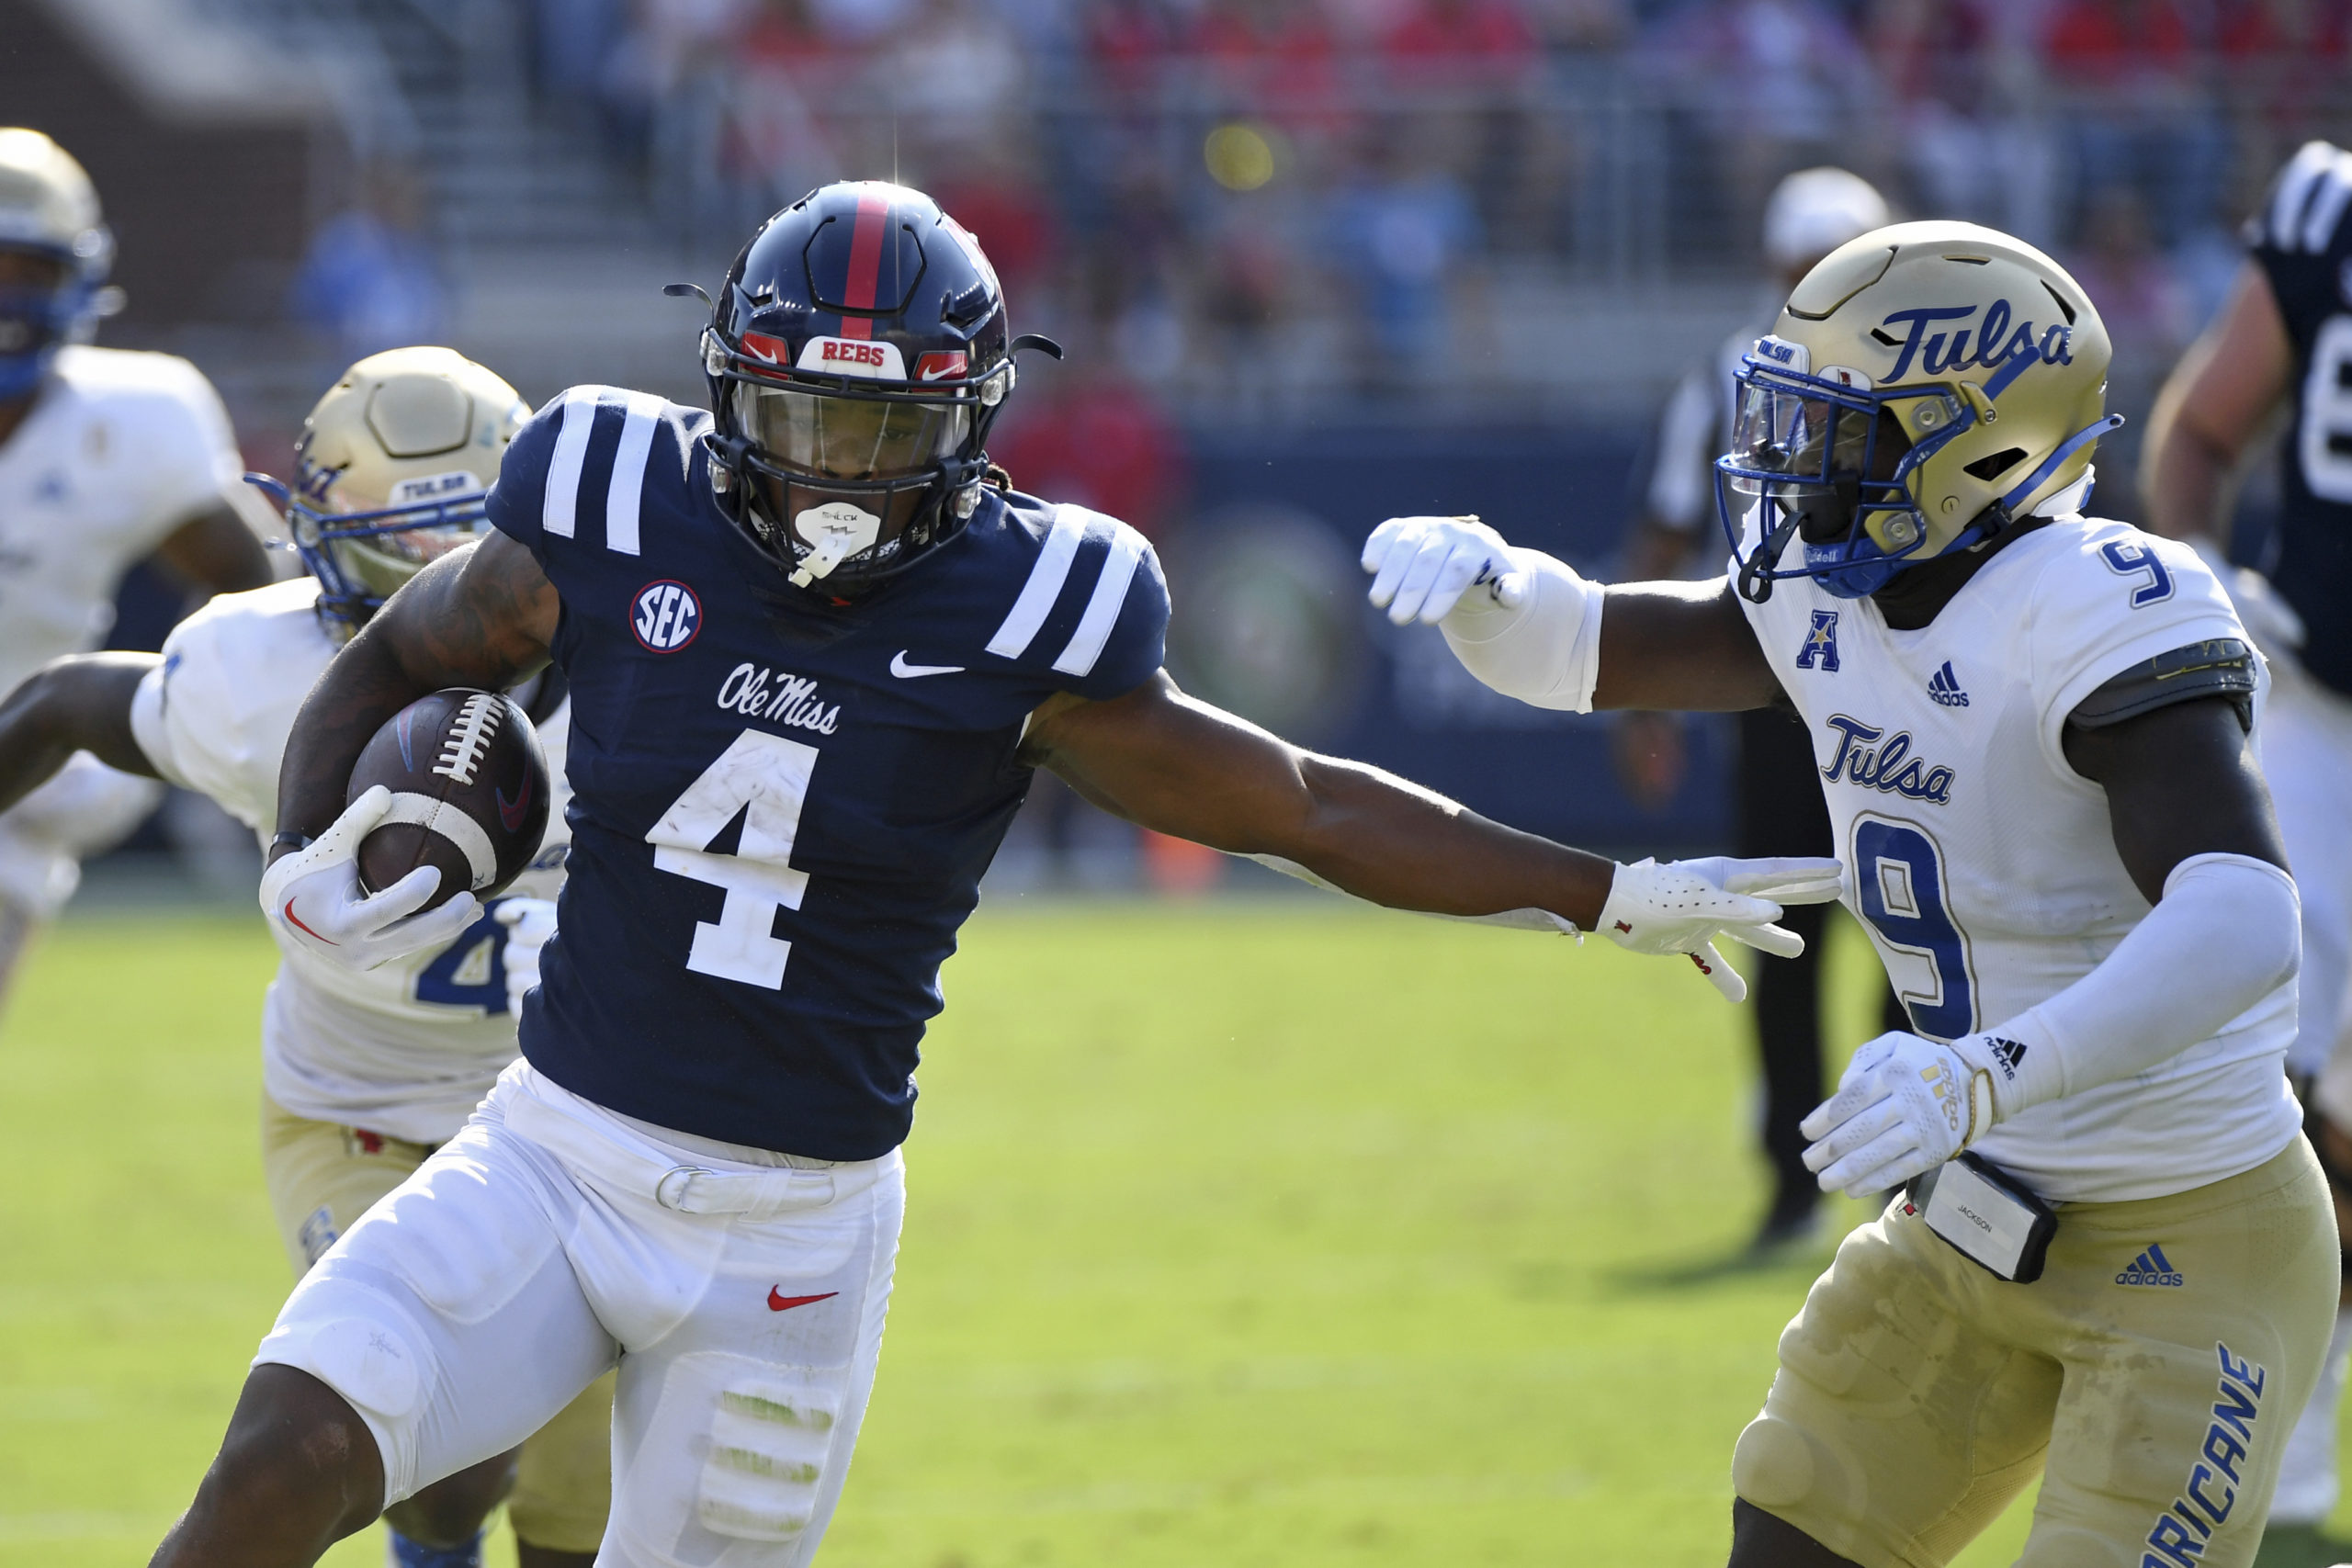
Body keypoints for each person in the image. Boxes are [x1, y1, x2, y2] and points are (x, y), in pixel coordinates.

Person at [141, 182, 1842, 1568]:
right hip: (554, 1151)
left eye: (882, 433)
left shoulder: (1030, 608)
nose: (832, 472)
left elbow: (1305, 804)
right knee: (280, 1456)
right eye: (803, 416)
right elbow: (399, 653)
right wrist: (311, 853)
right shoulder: (612, 490)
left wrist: (1596, 887)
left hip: (788, 1237)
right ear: (728, 386)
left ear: (968, 423)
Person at [1364, 218, 2333, 1566]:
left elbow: (2242, 918)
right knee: (1796, 1522)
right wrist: (1489, 582)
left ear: (1978, 439)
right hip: (1972, 1214)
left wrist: (1980, 1072)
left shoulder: (2097, 600)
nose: (1793, 459)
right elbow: (1582, 645)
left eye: (1843, 425)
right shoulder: (1832, 586)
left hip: (2193, 1230)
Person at [0, 349, 612, 1568]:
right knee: (446, 1449)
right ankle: (433, 1542)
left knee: (581, 1523)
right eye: (402, 564)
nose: (444, 615)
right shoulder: (262, 672)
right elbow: (66, 699)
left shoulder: (644, 681)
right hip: (362, 1116)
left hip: (582, 1129)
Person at [1618, 165, 1906, 1253]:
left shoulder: (1916, 364)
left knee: (1914, 933)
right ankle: (1799, 1182)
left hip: (1901, 694)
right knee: (1786, 937)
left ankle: (1898, 1175)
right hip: (1785, 693)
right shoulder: (1731, 376)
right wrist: (1641, 703)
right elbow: (1662, 536)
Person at [2140, 135, 2352, 1546]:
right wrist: (2203, 584)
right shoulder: (2328, 198)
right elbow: (2201, 430)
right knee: (2253, 1099)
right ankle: (2272, 1453)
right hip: (2321, 720)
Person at [0, 127, 273, 1000]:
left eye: (30, 272)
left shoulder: (135, 420)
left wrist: (164, 724)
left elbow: (259, 585)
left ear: (77, 281)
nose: (8, 301)